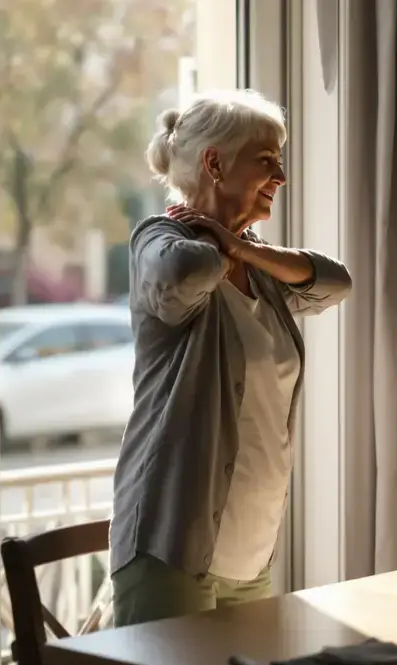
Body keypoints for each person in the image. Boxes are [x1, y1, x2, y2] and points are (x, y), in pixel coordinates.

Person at [110, 89, 352, 626]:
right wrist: (222, 240)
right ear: (214, 163)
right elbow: (184, 275)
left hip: (250, 553)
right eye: (266, 161)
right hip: (173, 547)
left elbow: (336, 281)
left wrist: (240, 245)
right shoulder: (159, 239)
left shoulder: (257, 269)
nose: (281, 178)